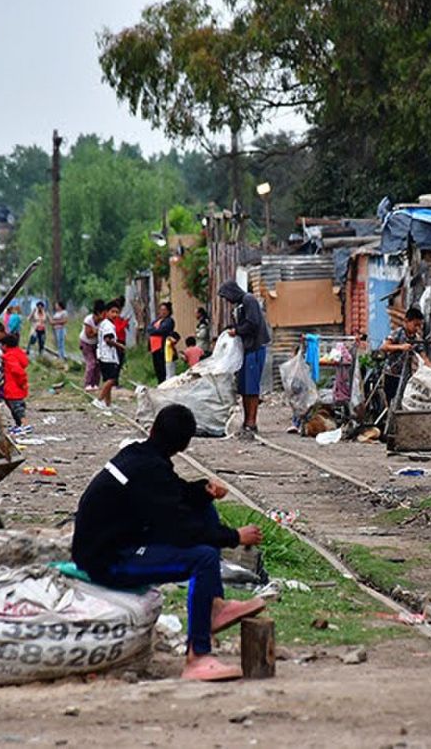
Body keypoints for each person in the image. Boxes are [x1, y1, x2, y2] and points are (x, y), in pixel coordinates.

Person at [71, 404, 267, 681]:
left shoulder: (140, 456)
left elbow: (171, 493)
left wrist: (202, 490)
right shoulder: (150, 469)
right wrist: (234, 537)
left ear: (152, 430)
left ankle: (215, 606)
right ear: (184, 445)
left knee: (203, 508)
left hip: (120, 540)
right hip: (108, 560)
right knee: (203, 558)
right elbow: (181, 530)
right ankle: (198, 657)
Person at [217, 281, 271, 435]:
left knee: (252, 388)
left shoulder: (249, 300)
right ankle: (247, 420)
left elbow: (252, 323)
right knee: (245, 387)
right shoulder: (240, 304)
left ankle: (252, 422)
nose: (228, 301)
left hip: (255, 347)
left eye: (227, 297)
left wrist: (237, 331)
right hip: (247, 350)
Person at [379, 306, 429, 411]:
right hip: (391, 374)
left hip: (406, 375)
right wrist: (401, 347)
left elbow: (424, 357)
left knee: (404, 401)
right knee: (392, 402)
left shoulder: (416, 339)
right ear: (406, 321)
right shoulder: (398, 333)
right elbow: (384, 347)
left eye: (419, 325)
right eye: (415, 325)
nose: (417, 328)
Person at [94, 301, 124, 410]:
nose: (115, 314)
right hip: (108, 356)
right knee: (112, 380)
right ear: (107, 312)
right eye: (113, 312)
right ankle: (99, 400)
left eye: (117, 312)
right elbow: (108, 340)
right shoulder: (108, 325)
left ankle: (108, 403)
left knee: (108, 380)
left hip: (103, 355)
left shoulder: (104, 323)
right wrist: (119, 345)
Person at [0, 333, 30, 434]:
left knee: (17, 408)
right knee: (17, 407)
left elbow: (18, 372)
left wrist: (22, 382)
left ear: (5, 345)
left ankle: (25, 424)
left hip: (13, 388)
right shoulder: (18, 354)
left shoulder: (9, 357)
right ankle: (20, 425)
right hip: (17, 388)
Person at [147, 302, 175, 384]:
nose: (162, 312)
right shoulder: (157, 320)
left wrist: (154, 330)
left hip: (163, 347)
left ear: (168, 311)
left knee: (163, 367)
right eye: (161, 309)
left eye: (164, 310)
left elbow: (162, 330)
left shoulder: (169, 321)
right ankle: (160, 382)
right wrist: (154, 330)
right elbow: (149, 328)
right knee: (157, 367)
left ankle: (164, 383)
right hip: (154, 347)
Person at [79, 300, 104, 391]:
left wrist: (95, 332)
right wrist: (97, 332)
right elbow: (88, 335)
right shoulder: (88, 320)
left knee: (98, 364)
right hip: (86, 343)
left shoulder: (103, 322)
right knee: (91, 362)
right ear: (98, 313)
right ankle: (87, 383)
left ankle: (95, 384)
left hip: (96, 344)